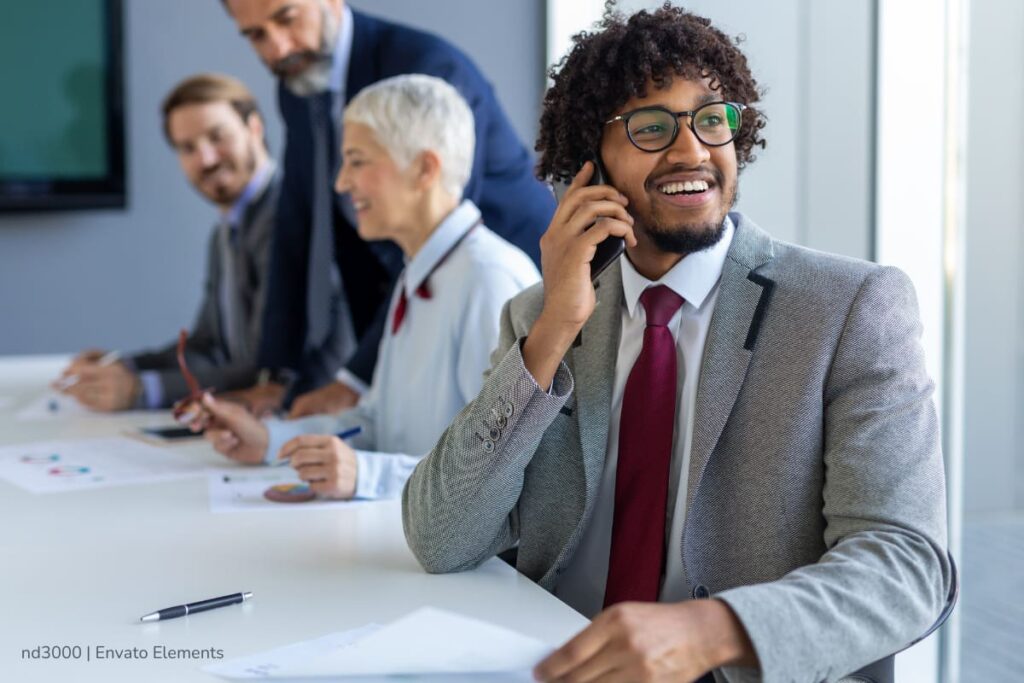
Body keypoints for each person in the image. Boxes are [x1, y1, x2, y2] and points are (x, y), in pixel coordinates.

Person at [402, 5, 952, 682]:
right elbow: (441, 536)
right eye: (652, 127)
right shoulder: (543, 316)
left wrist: (717, 629)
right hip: (553, 662)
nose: (692, 150)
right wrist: (549, 336)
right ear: (592, 163)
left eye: (712, 118)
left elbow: (908, 565)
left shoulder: (850, 309)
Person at [196, 74, 539, 501]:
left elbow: (499, 466)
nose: (341, 183)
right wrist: (270, 439)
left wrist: (368, 475)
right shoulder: (420, 272)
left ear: (424, 169)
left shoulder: (490, 279)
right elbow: (376, 423)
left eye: (357, 161)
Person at [219, 0, 555, 417]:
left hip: (509, 281)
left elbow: (439, 221)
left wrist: (352, 380)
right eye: (255, 35)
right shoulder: (297, 84)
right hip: (408, 282)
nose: (277, 48)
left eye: (286, 18)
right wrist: (275, 377)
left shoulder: (425, 68)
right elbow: (297, 223)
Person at [57, 74, 279, 412]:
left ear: (255, 127)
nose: (205, 159)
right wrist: (122, 366)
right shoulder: (226, 230)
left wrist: (140, 390)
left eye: (217, 136)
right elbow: (208, 348)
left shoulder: (287, 219)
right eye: (187, 148)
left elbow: (265, 368)